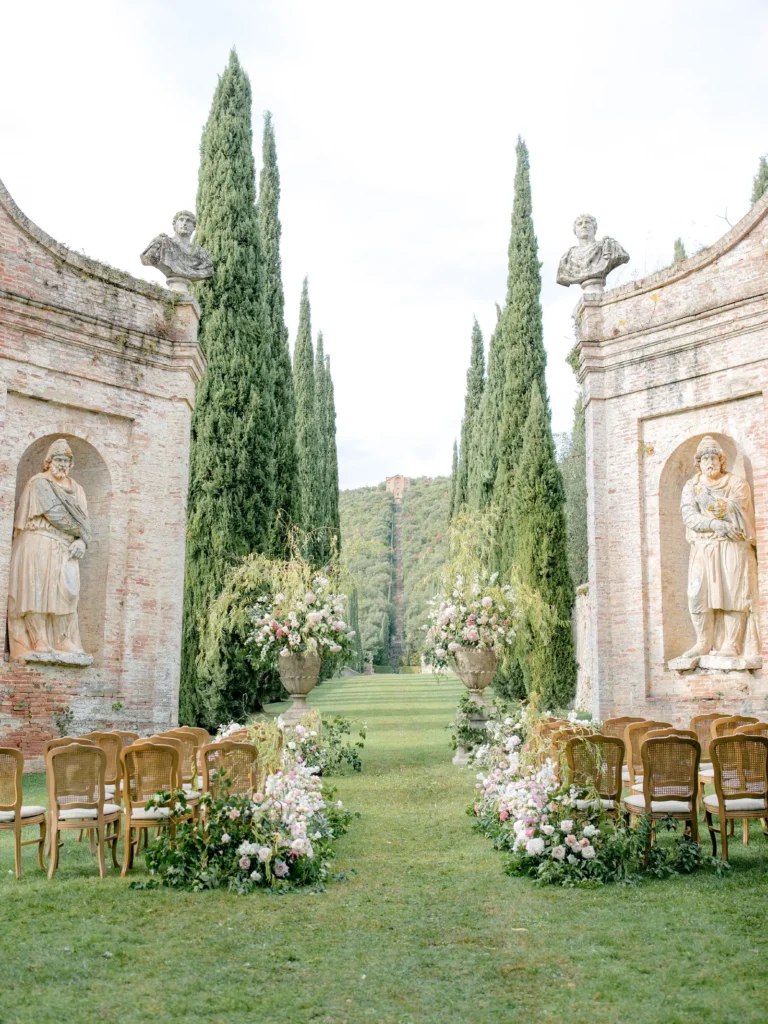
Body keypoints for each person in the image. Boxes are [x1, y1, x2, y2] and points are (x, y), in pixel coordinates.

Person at [7, 438, 91, 661]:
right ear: (49, 461)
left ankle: (63, 639)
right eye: (59, 459)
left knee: (67, 593)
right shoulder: (39, 483)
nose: (63, 464)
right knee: (37, 591)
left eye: (66, 460)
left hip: (65, 548)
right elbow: (55, 514)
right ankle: (38, 639)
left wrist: (83, 541)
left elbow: (85, 522)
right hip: (37, 542)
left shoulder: (78, 490)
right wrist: (82, 533)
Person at [679, 436, 760, 660]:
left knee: (733, 593)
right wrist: (714, 524)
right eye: (704, 458)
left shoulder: (736, 483)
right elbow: (689, 516)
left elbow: (736, 509)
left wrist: (707, 502)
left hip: (733, 545)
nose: (709, 462)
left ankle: (732, 645)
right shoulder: (691, 487)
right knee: (697, 594)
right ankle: (703, 642)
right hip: (703, 547)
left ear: (721, 460)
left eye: (713, 457)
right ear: (698, 463)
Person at [140, 210, 213, 288]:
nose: (184, 223)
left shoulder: (201, 253)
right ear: (174, 225)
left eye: (188, 221)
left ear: (194, 227)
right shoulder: (162, 243)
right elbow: (148, 257)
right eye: (181, 220)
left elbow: (209, 270)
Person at [556, 214, 629, 289]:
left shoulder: (609, 246)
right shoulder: (567, 258)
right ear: (575, 231)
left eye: (587, 222)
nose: (584, 226)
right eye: (579, 224)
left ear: (594, 228)